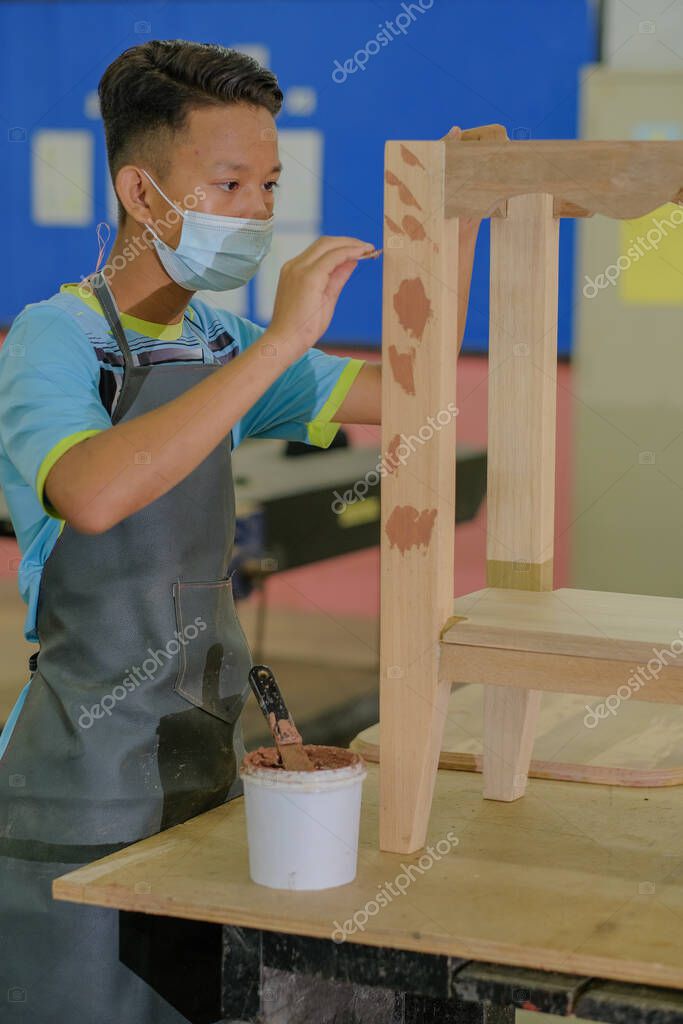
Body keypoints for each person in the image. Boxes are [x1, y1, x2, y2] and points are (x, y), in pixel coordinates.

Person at [0, 39, 482, 1022]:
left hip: (206, 760)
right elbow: (87, 495)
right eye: (228, 183)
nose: (257, 210)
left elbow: (408, 394)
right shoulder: (53, 335)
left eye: (268, 184)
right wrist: (279, 343)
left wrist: (459, 224)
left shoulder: (216, 339)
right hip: (81, 783)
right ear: (143, 192)